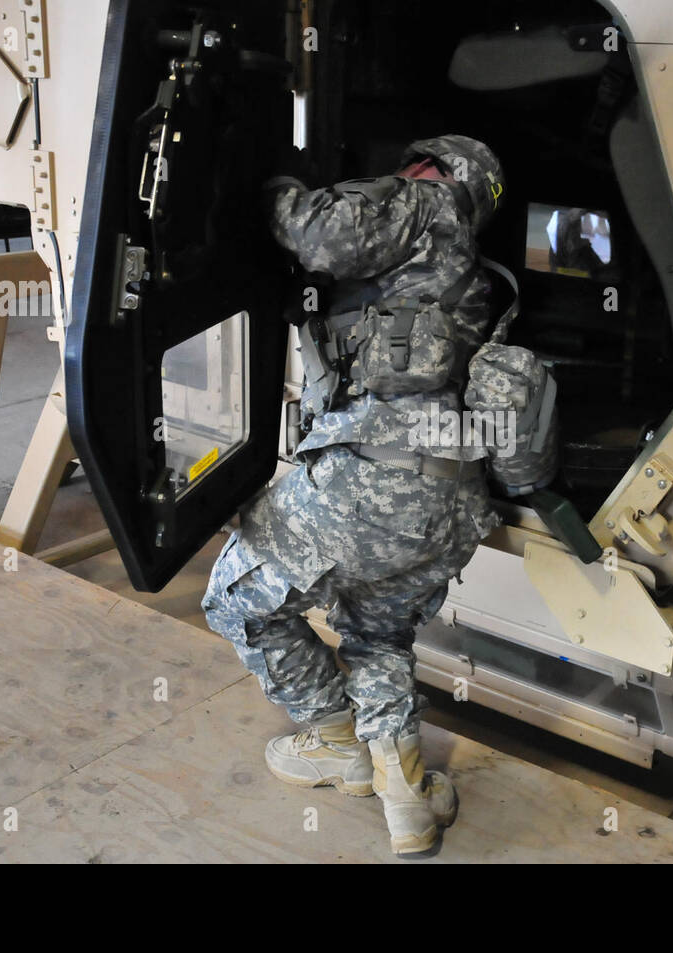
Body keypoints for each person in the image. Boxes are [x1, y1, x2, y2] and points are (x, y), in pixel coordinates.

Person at [202, 135, 507, 854]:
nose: (401, 172)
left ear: (441, 170)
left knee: (234, 596)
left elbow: (321, 230)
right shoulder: (465, 270)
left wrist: (263, 179)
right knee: (377, 634)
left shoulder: (425, 205)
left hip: (374, 479)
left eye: (417, 163)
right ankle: (408, 800)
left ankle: (336, 740)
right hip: (452, 498)